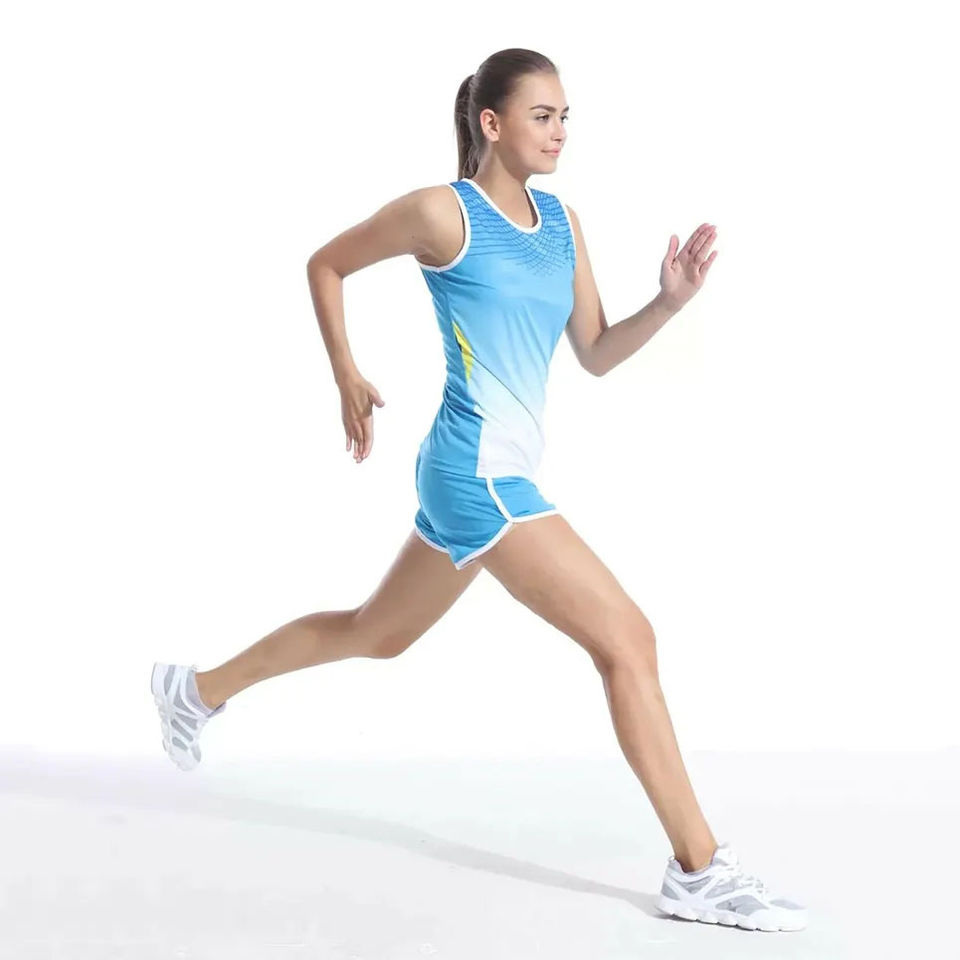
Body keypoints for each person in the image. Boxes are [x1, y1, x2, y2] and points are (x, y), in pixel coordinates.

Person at [151, 48, 807, 934]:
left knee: (374, 633)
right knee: (628, 640)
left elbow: (595, 353)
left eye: (566, 117)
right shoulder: (443, 213)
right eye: (542, 115)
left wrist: (670, 303)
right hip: (478, 475)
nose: (560, 132)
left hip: (493, 472)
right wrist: (346, 374)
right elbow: (326, 264)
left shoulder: (563, 223)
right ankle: (699, 867)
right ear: (492, 124)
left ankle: (194, 690)